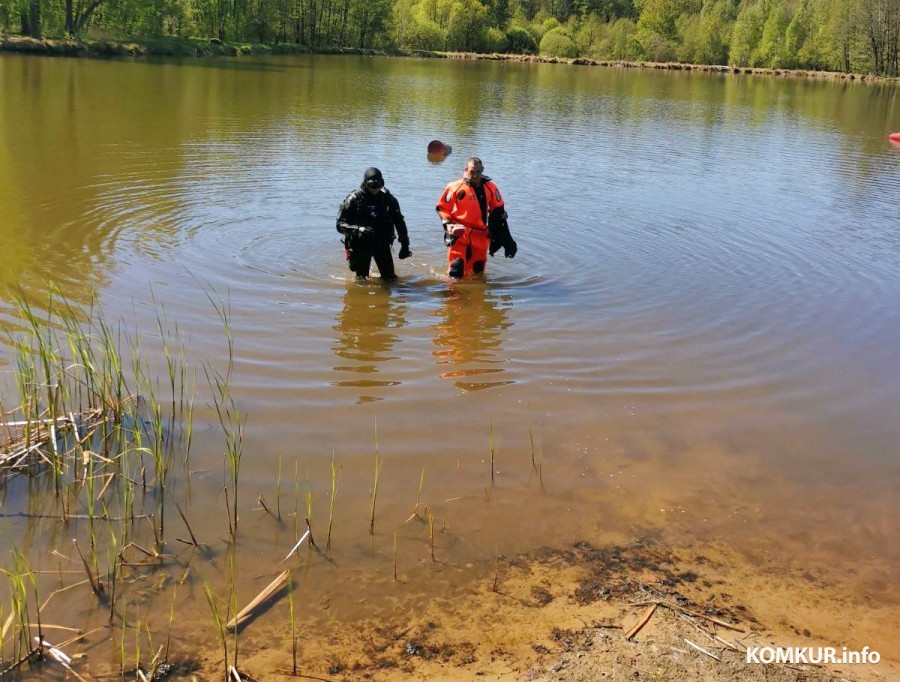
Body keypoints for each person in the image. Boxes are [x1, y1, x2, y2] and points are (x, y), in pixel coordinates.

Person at [436, 157, 516, 279]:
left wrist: (506, 239)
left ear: (482, 170)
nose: (475, 175)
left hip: (480, 235)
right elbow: (443, 208)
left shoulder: (491, 187)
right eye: (472, 172)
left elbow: (498, 212)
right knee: (456, 268)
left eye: (478, 172)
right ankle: (452, 295)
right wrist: (448, 225)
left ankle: (477, 294)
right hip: (460, 233)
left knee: (477, 272)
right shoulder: (455, 187)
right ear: (466, 169)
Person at [337, 167, 411, 280]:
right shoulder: (354, 199)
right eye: (372, 186)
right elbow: (340, 225)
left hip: (382, 242)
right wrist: (358, 229)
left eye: (378, 185)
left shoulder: (387, 198)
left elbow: (399, 222)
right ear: (366, 183)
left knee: (390, 278)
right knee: (361, 280)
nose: (375, 189)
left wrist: (405, 245)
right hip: (361, 243)